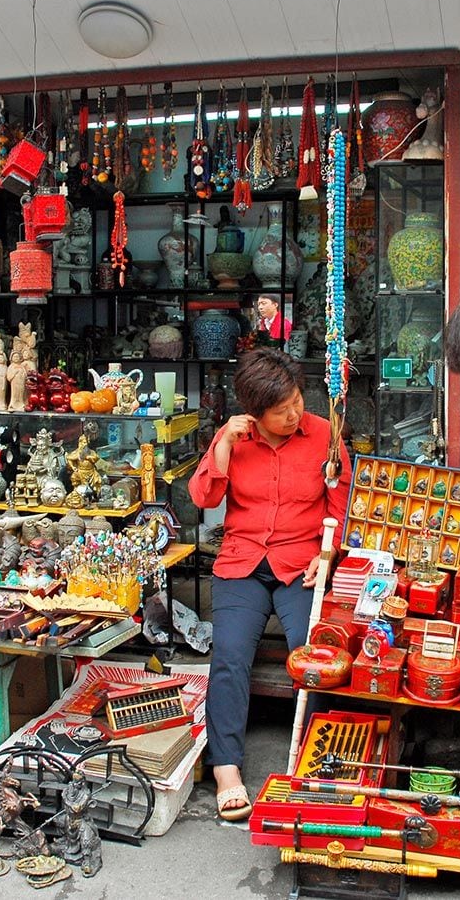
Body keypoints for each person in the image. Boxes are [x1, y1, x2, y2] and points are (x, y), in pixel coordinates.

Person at [188, 348, 351, 822]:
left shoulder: (324, 434)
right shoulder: (234, 437)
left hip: (303, 564)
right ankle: (227, 770)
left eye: (296, 401)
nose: (293, 414)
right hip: (242, 563)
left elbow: (341, 509)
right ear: (254, 414)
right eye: (280, 411)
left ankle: (317, 760)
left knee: (316, 653)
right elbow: (205, 496)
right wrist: (221, 445)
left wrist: (329, 555)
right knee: (230, 658)